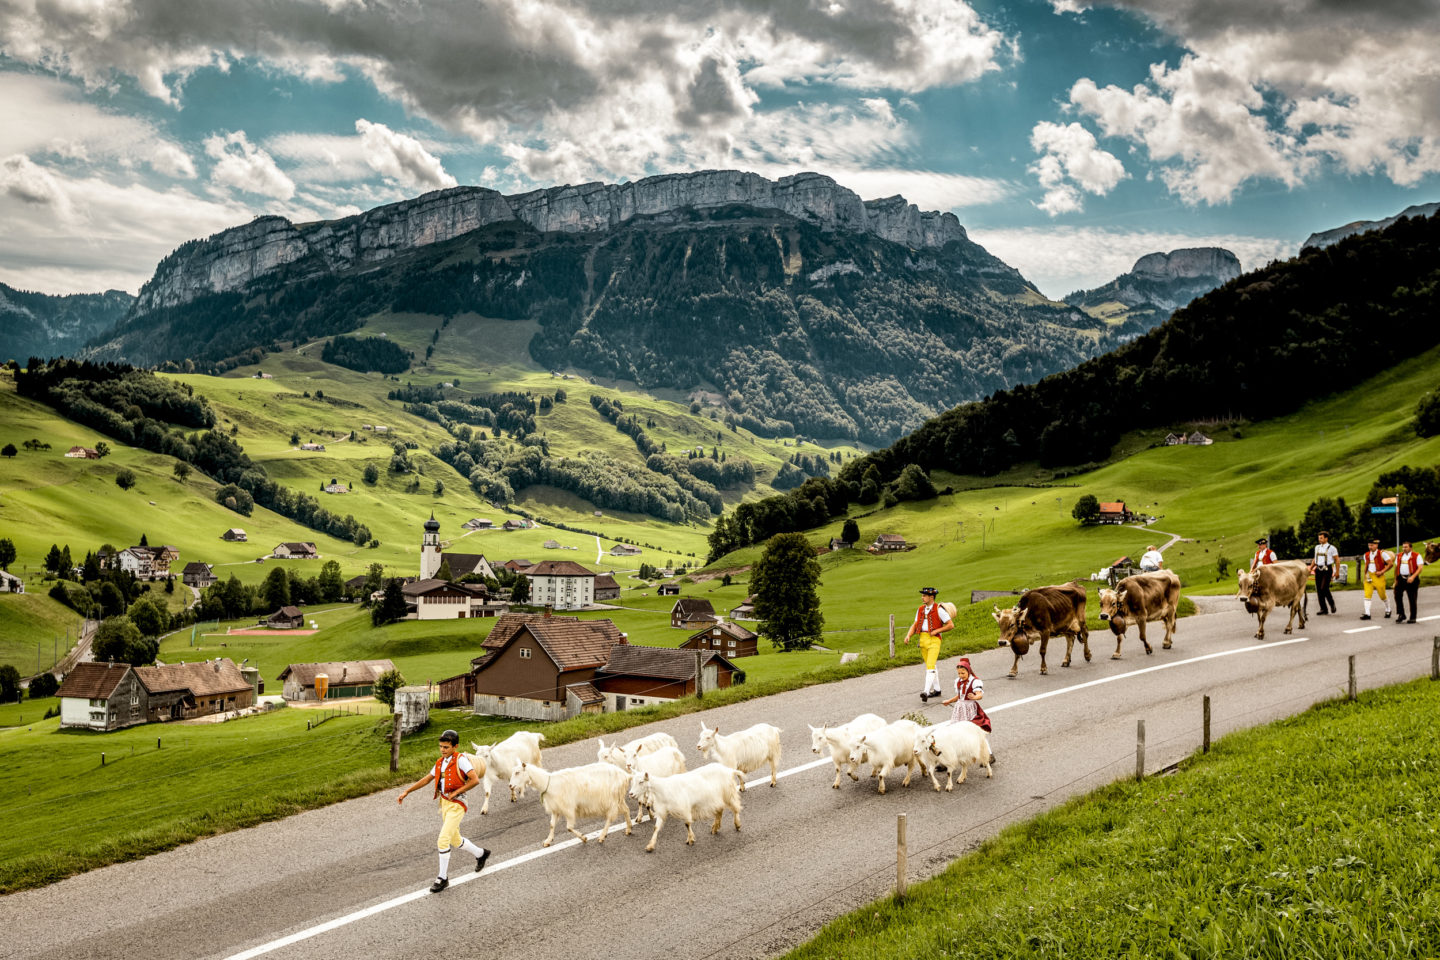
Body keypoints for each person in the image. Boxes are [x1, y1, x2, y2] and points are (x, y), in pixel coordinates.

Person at [398, 728, 490, 893]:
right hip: (445, 804)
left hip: (457, 805)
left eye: (446, 747)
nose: (442, 750)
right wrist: (407, 791)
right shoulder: (440, 762)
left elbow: (475, 779)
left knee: (442, 840)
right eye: (441, 746)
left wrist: (457, 792)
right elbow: (427, 778)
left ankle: (442, 878)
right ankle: (481, 854)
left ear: (455, 746)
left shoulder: (461, 760)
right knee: (455, 840)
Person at [902, 586, 953, 702]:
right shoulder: (920, 609)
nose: (922, 597)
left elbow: (950, 625)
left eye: (924, 596)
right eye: (922, 595)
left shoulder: (939, 610)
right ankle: (937, 689)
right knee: (931, 665)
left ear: (931, 597)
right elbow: (915, 625)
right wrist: (908, 635)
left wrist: (937, 631)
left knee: (930, 666)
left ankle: (925, 691)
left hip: (934, 640)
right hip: (923, 640)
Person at [1359, 537, 1392, 621]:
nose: (1370, 547)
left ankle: (1388, 609)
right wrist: (1365, 575)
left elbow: (1390, 564)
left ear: (1376, 545)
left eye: (1372, 545)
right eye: (1369, 545)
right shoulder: (1366, 554)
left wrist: (1382, 572)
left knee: (1382, 595)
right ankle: (1367, 613)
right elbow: (1367, 565)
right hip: (1369, 576)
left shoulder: (1382, 554)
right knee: (1367, 595)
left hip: (1379, 576)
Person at [1309, 530, 1339, 615]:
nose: (1319, 539)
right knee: (1319, 589)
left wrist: (1337, 572)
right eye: (1319, 538)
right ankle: (1323, 609)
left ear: (1326, 538)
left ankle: (1332, 604)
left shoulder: (1332, 548)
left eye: (1321, 538)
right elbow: (1315, 559)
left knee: (1324, 588)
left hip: (1327, 569)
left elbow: (1337, 560)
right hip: (1318, 569)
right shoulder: (1317, 547)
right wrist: (1310, 568)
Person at [1394, 539, 1424, 623]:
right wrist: (1396, 579)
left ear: (1411, 548)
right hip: (1401, 578)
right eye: (1403, 547)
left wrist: (1413, 577)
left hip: (1412, 579)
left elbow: (1420, 567)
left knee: (1412, 598)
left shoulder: (1416, 555)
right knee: (1397, 595)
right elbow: (1397, 568)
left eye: (1406, 547)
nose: (1404, 549)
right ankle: (1401, 614)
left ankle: (1413, 617)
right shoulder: (1399, 556)